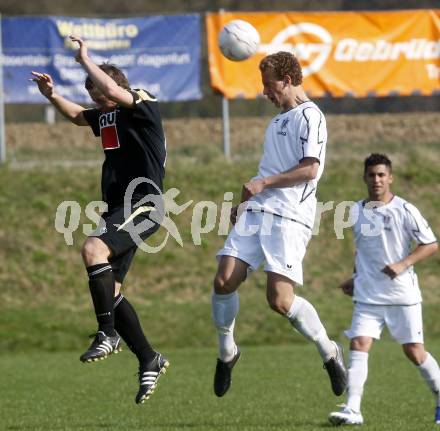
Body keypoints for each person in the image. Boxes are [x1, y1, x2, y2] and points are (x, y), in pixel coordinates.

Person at [31, 35, 169, 404]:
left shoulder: (142, 102)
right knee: (113, 290)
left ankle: (107, 333)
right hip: (118, 209)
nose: (95, 100)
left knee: (93, 248)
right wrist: (51, 96)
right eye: (93, 95)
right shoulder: (106, 113)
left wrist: (83, 59)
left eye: (99, 93)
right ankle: (148, 357)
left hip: (144, 203)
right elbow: (78, 117)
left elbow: (109, 86)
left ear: (115, 86)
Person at [211, 51, 347, 399]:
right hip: (259, 209)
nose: (265, 93)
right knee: (224, 280)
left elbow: (309, 170)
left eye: (269, 86)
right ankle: (227, 351)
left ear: (287, 81)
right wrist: (245, 201)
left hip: (290, 216)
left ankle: (329, 352)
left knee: (280, 301)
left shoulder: (311, 116)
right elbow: (266, 172)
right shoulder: (275, 123)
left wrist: (264, 184)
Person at [328, 153, 440, 425]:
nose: (376, 179)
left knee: (414, 352)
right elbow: (364, 251)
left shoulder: (405, 210)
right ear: (364, 178)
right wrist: (355, 277)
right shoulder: (355, 211)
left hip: (402, 295)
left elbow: (431, 244)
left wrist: (404, 263)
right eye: (371, 175)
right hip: (367, 295)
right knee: (359, 343)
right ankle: (353, 409)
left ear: (390, 178)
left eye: (381, 175)